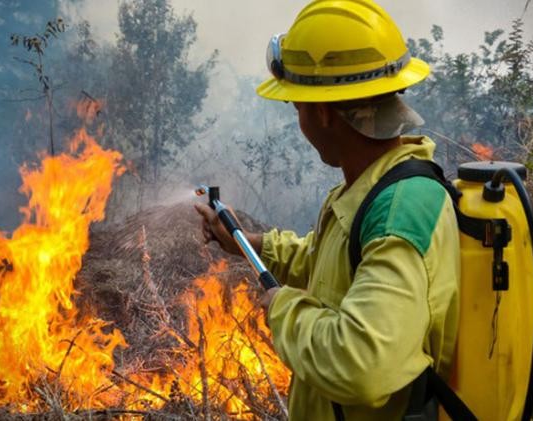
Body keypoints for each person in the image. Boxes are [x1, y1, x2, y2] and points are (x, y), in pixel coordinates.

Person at [194, 1, 460, 419]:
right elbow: (332, 264)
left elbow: (360, 364)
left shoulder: (398, 214)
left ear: (321, 112)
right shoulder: (372, 190)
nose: (299, 119)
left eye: (297, 106)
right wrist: (254, 245)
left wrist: (282, 308)